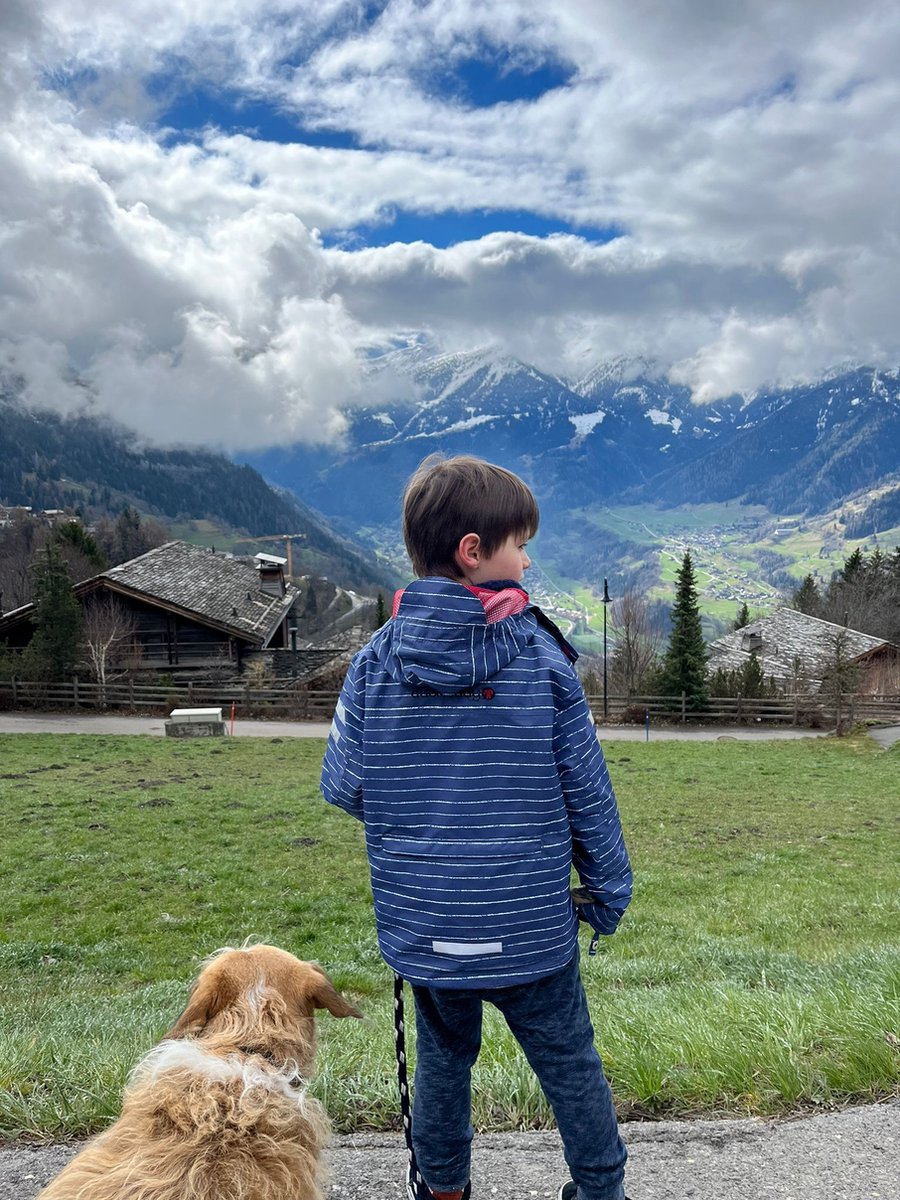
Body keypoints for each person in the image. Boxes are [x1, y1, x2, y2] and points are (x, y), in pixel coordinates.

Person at [321, 453, 633, 1200]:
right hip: (531, 922)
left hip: (427, 924)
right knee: (570, 1064)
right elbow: (588, 793)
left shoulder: (373, 663)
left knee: (441, 1062)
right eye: (520, 543)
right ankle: (599, 1188)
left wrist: (423, 820)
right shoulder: (544, 661)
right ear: (474, 551)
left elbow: (345, 784)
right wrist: (608, 888)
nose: (526, 558)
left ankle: (444, 1190)